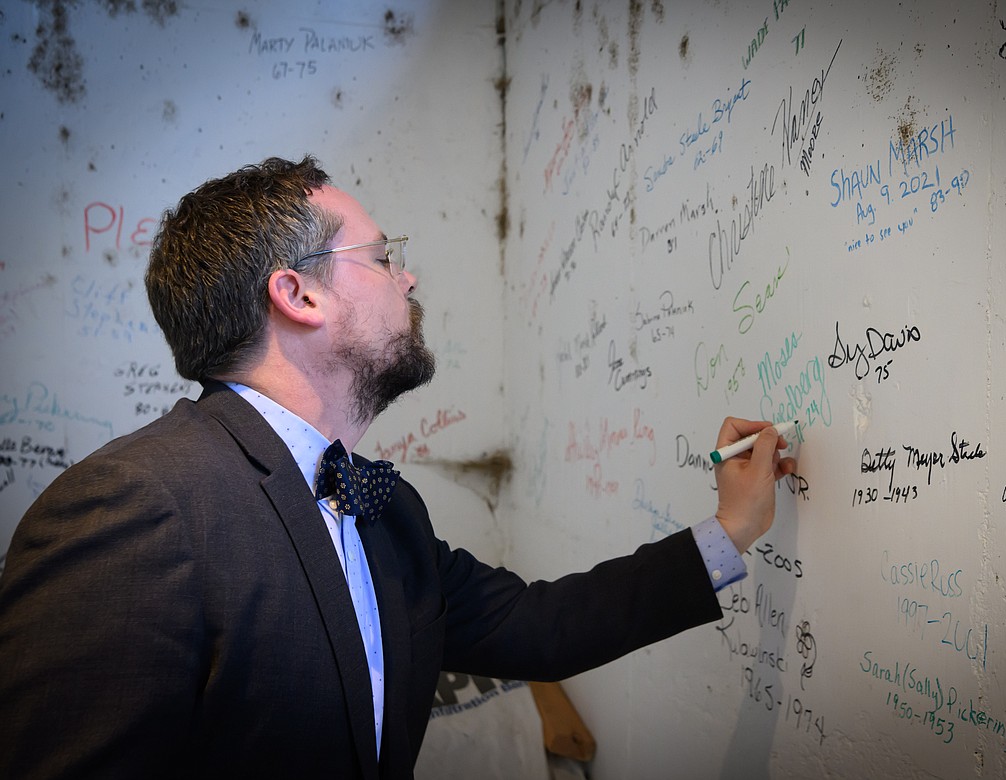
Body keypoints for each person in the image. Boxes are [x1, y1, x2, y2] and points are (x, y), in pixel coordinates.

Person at [0, 156, 797, 778]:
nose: (407, 276)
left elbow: (541, 628)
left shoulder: (387, 511)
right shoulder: (134, 505)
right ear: (297, 294)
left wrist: (731, 531)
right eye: (382, 257)